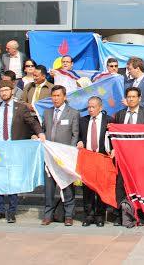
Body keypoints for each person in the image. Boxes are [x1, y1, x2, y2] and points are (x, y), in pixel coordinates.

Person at [0, 80, 45, 224]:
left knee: (13, 179)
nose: (4, 93)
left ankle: (11, 211)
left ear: (12, 91)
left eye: (6, 90)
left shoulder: (20, 108)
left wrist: (40, 133)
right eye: (1, 91)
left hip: (14, 149)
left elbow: (32, 122)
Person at [111, 87, 144, 227]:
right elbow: (114, 136)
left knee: (139, 187)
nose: (131, 99)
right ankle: (119, 215)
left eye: (134, 96)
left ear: (139, 98)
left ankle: (139, 215)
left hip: (139, 157)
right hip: (122, 157)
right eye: (129, 97)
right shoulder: (120, 115)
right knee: (120, 186)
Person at [41, 85, 80, 226]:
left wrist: (70, 154)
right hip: (49, 155)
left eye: (58, 96)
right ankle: (48, 215)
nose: (55, 98)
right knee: (49, 187)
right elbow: (43, 130)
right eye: (53, 96)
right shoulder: (47, 112)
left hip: (65, 156)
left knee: (67, 186)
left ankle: (69, 215)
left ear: (64, 97)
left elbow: (75, 134)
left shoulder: (73, 113)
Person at [77, 96, 111, 226]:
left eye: (93, 107)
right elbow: (78, 136)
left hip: (102, 158)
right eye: (89, 107)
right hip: (88, 159)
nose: (90, 109)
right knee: (88, 189)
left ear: (100, 107)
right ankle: (88, 215)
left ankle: (100, 216)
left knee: (101, 188)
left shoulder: (109, 120)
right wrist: (79, 141)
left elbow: (113, 139)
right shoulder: (83, 121)